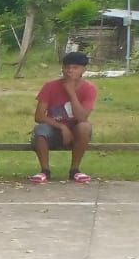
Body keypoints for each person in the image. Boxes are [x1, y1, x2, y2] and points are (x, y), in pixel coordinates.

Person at [30, 50, 96, 183]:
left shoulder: (89, 88)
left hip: (76, 130)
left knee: (85, 126)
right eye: (66, 67)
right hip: (54, 129)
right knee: (40, 130)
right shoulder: (50, 86)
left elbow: (82, 117)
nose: (69, 71)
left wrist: (71, 92)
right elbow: (39, 116)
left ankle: (75, 170)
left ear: (83, 70)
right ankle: (45, 171)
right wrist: (62, 127)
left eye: (75, 68)